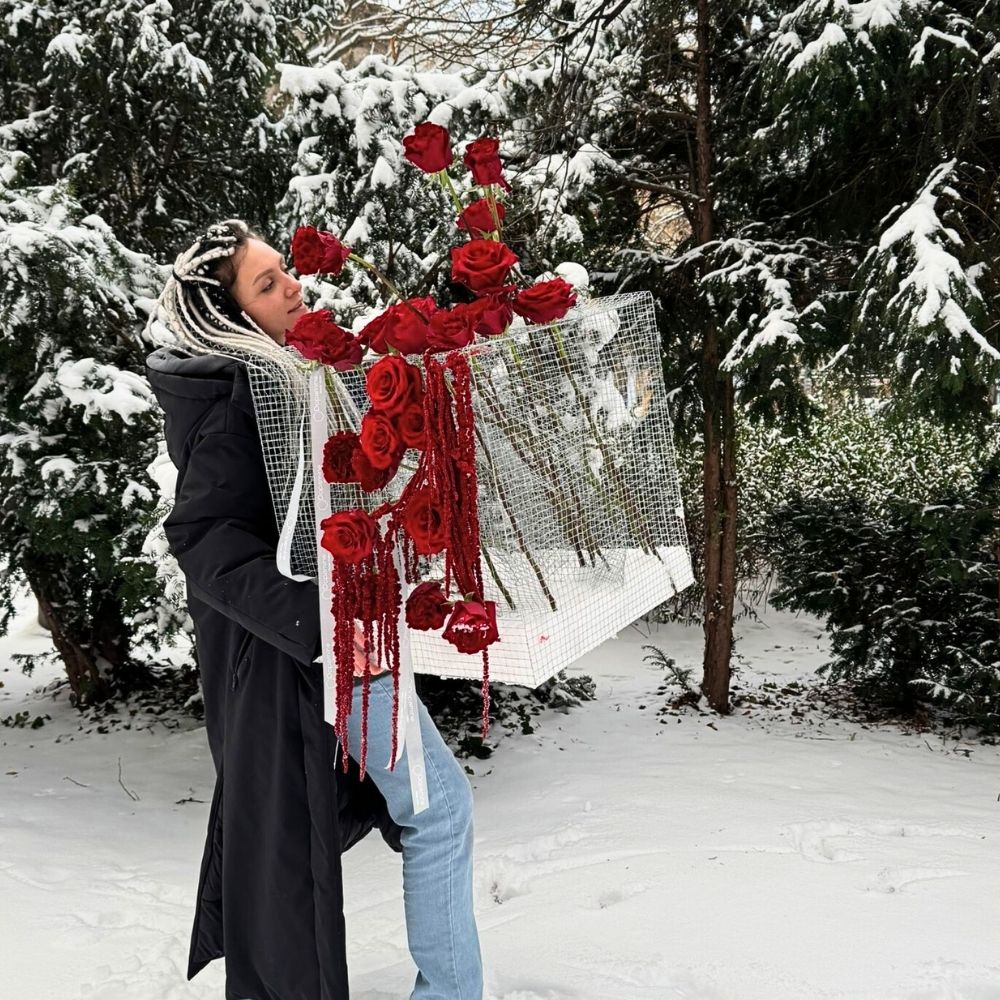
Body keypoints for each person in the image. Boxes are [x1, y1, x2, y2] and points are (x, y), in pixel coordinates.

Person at [144, 219, 483, 1000]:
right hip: (318, 656)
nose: (293, 285)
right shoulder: (231, 401)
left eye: (283, 271)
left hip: (346, 643)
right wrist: (318, 621)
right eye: (267, 284)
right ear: (232, 316)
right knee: (437, 813)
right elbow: (204, 538)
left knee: (419, 816)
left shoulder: (288, 371)